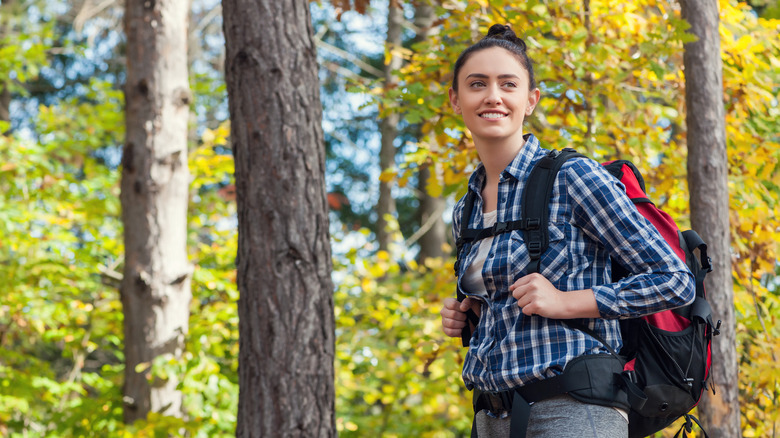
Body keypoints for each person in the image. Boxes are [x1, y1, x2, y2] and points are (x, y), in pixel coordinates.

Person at [439, 24, 695, 438]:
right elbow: (510, 310)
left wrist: (566, 301)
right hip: (491, 416)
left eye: (508, 84)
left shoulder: (571, 177)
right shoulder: (465, 208)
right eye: (476, 84)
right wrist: (468, 317)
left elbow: (674, 280)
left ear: (530, 101)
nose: (493, 96)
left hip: (574, 410)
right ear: (456, 99)